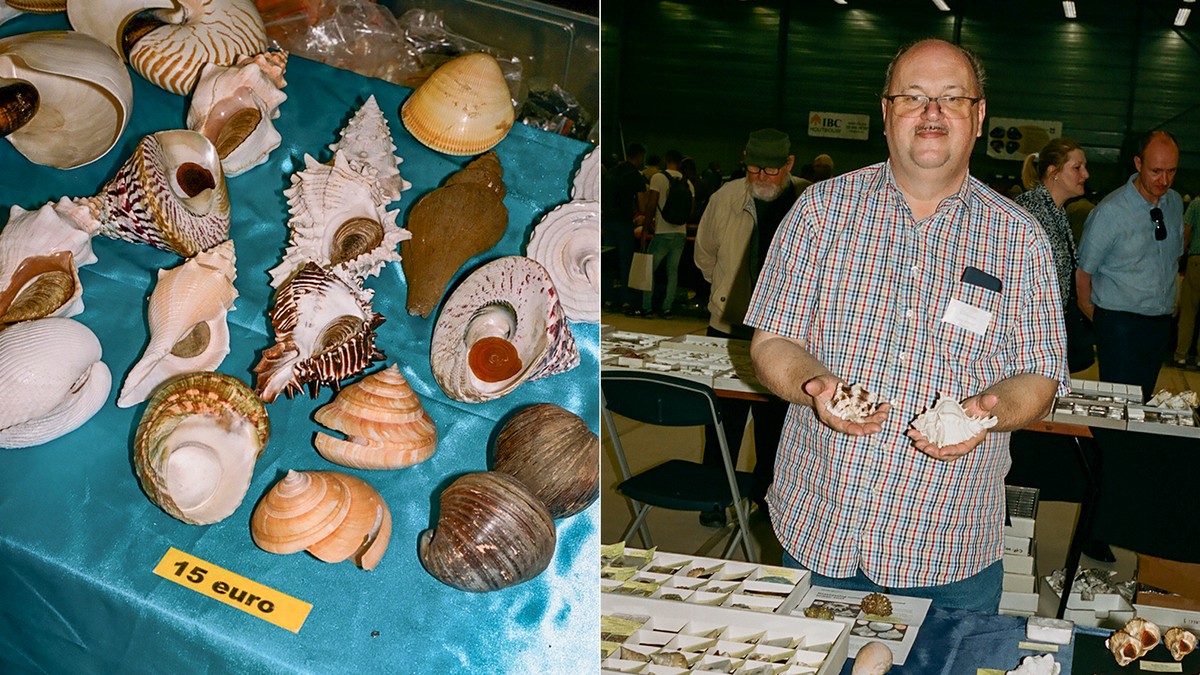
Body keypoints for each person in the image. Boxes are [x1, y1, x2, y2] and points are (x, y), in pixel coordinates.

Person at [743, 38, 1067, 613]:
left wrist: (988, 410)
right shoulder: (819, 212)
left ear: (979, 115)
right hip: (820, 525)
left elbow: (1041, 377)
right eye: (914, 97)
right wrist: (815, 385)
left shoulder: (1020, 239)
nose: (932, 113)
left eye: (951, 98)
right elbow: (773, 338)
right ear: (887, 112)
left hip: (950, 546)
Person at [693, 128, 809, 526]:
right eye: (753, 168)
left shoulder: (810, 202)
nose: (761, 177)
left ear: (789, 165)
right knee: (722, 423)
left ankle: (765, 504)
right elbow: (705, 256)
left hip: (788, 337)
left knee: (775, 428)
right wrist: (729, 296)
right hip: (729, 331)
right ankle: (713, 499)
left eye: (771, 170)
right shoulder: (725, 198)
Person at [1076, 130, 1185, 401]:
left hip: (1159, 324)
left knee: (1143, 401)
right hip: (1119, 324)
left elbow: (1172, 259)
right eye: (1156, 171)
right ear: (1138, 164)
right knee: (1118, 403)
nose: (1164, 180)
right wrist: (1103, 321)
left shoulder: (1174, 204)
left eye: (1171, 171)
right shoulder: (1109, 213)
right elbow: (1083, 274)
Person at [1015, 137, 1092, 367]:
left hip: (1048, 327)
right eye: (1077, 168)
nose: (1085, 174)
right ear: (1054, 172)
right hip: (1029, 332)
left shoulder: (1056, 213)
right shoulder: (1031, 211)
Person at [636, 150, 694, 318]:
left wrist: (646, 229)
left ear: (666, 160)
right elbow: (690, 211)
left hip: (662, 232)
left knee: (650, 271)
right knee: (672, 272)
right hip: (680, 233)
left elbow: (652, 204)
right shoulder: (687, 183)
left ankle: (647, 307)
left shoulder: (658, 178)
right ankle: (667, 308)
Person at [607, 143, 649, 314]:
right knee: (626, 264)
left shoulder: (612, 173)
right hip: (624, 224)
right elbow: (642, 204)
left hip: (608, 222)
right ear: (638, 157)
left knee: (608, 262)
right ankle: (625, 301)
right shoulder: (635, 177)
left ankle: (607, 299)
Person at [1172, 196, 1200, 368]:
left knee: (1189, 311)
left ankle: (1181, 355)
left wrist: (1179, 256)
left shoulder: (1196, 203)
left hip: (1197, 261)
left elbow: (1186, 231)